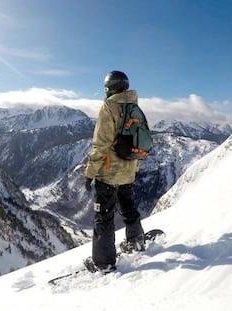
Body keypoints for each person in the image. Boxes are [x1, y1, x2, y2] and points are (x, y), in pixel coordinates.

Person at [84, 70, 145, 273]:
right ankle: (136, 240)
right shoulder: (134, 107)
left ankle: (103, 262)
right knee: (129, 208)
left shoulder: (108, 107)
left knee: (104, 216)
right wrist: (134, 169)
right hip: (128, 170)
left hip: (108, 174)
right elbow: (141, 143)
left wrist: (90, 173)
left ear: (109, 87)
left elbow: (100, 144)